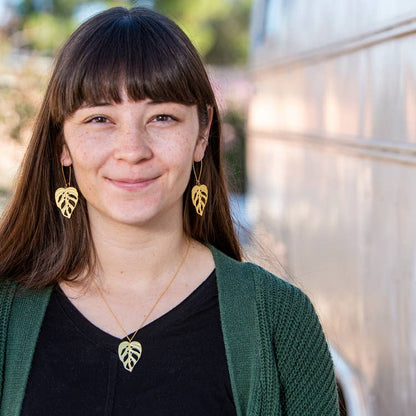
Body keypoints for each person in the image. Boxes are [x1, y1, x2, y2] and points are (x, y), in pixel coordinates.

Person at [0, 6, 339, 416]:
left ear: (202, 133)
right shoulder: (6, 313)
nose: (132, 150)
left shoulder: (281, 322)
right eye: (100, 119)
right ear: (62, 145)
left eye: (162, 117)